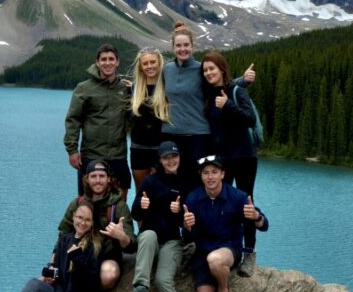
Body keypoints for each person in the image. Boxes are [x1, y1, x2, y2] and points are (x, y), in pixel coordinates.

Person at [182, 155, 268, 292]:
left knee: (215, 260)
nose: (210, 177)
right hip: (202, 254)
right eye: (206, 173)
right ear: (201, 176)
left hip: (229, 250)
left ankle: (223, 291)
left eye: (214, 172)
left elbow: (264, 225)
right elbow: (189, 237)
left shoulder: (237, 197)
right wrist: (188, 227)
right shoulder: (193, 198)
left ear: (223, 174)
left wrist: (256, 217)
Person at [162, 22, 255, 188]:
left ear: (192, 46)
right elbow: (154, 89)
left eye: (186, 45)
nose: (182, 49)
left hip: (198, 135)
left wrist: (243, 80)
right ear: (173, 47)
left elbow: (219, 80)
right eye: (178, 45)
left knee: (199, 182)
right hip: (173, 134)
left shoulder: (200, 69)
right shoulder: (167, 69)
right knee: (175, 183)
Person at [201, 51, 261, 278]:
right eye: (205, 70)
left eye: (212, 69)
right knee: (221, 201)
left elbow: (250, 119)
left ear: (222, 69)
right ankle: (225, 246)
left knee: (246, 202)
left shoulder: (236, 92)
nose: (208, 73)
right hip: (222, 159)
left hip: (244, 156)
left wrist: (228, 106)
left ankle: (249, 253)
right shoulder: (210, 93)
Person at [130, 140, 188, 292]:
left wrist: (179, 211)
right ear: (160, 160)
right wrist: (141, 205)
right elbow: (135, 214)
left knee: (163, 280)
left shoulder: (184, 182)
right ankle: (140, 291)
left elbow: (188, 222)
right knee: (147, 235)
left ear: (179, 157)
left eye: (174, 156)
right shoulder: (150, 181)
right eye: (166, 158)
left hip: (172, 241)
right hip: (151, 240)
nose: (171, 161)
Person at [57, 160, 136, 289]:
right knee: (44, 278)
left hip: (107, 257)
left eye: (102, 176)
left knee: (109, 275)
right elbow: (63, 234)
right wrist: (53, 262)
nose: (98, 180)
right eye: (93, 176)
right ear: (87, 179)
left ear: (109, 179)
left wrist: (121, 236)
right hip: (79, 255)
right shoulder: (77, 204)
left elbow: (132, 246)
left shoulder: (119, 206)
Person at [64, 43, 132, 194]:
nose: (107, 63)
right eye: (103, 59)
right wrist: (72, 150)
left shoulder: (125, 89)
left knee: (120, 202)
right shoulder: (84, 88)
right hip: (91, 154)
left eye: (111, 59)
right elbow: (73, 120)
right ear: (97, 62)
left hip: (118, 155)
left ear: (117, 62)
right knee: (88, 204)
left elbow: (133, 118)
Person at [128, 47, 171, 190]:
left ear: (159, 63)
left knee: (161, 193)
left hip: (161, 150)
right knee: (142, 193)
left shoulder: (168, 88)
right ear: (140, 66)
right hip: (138, 149)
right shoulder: (133, 89)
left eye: (153, 62)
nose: (149, 66)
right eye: (145, 63)